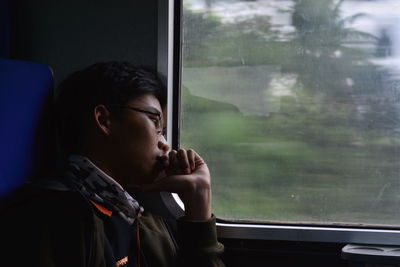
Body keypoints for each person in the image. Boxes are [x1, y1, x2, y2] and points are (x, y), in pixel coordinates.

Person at [0, 61, 225, 267]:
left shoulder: (141, 219)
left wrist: (198, 199)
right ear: (104, 120)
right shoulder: (49, 217)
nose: (165, 145)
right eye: (155, 122)